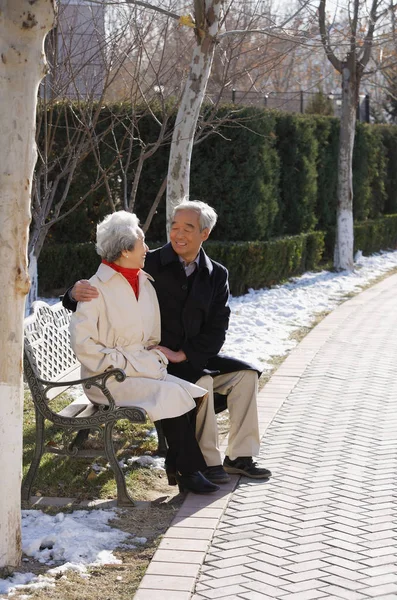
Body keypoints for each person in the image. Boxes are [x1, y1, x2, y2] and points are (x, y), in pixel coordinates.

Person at [64, 200, 272, 484]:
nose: (178, 234)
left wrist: (185, 354)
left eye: (188, 228)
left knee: (246, 376)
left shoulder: (217, 274)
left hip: (188, 355)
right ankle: (206, 463)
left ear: (204, 233)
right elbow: (106, 273)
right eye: (174, 227)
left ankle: (240, 457)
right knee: (203, 382)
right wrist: (72, 293)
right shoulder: (146, 262)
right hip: (151, 359)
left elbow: (217, 328)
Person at [69, 210, 219, 495]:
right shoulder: (93, 289)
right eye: (141, 242)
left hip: (139, 369)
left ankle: (181, 466)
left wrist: (148, 359)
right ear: (125, 250)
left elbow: (152, 337)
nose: (148, 248)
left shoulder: (144, 282)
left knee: (195, 392)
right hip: (105, 379)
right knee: (172, 394)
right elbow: (84, 347)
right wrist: (129, 363)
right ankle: (189, 472)